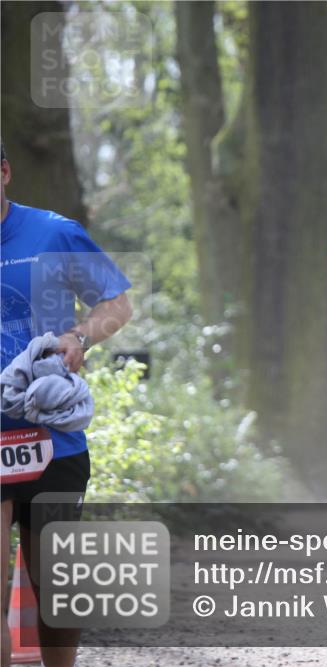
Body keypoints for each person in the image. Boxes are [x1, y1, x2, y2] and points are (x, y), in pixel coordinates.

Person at [1, 142, 133, 667]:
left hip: (51, 436)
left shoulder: (54, 233)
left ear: (5, 171)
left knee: (55, 587)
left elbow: (117, 303)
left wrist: (78, 336)